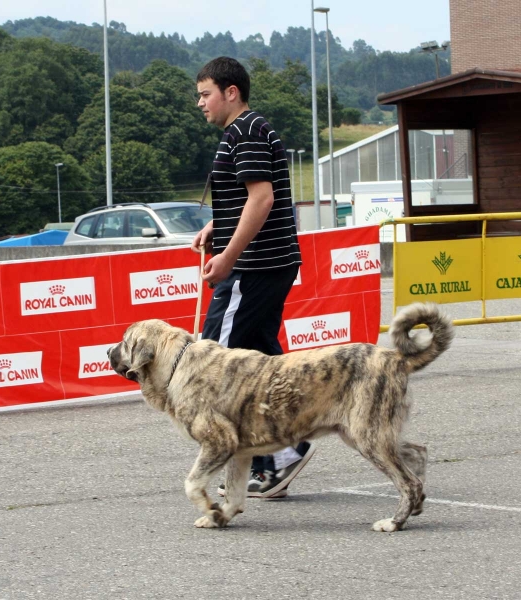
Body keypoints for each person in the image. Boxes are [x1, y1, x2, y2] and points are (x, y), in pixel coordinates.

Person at [192, 56, 315, 499]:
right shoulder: (246, 130)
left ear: (231, 92)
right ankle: (281, 454)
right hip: (264, 263)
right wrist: (216, 228)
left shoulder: (244, 132)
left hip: (254, 268)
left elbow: (261, 199)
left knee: (215, 364)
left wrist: (227, 256)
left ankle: (278, 456)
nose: (200, 103)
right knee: (262, 364)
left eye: (205, 94)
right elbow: (248, 198)